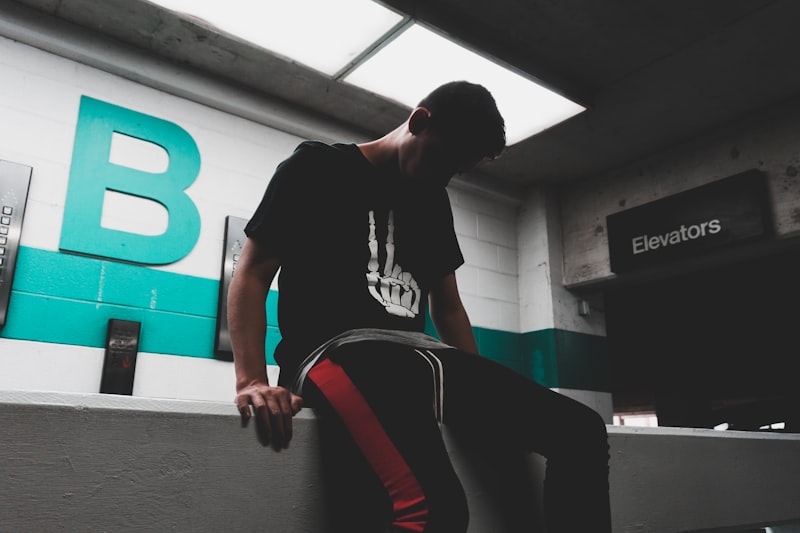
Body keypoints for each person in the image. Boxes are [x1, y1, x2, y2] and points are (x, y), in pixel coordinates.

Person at [228, 80, 612, 532]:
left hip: (426, 356)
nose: (442, 176)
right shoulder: (316, 166)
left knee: (582, 432)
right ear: (419, 121)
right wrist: (251, 379)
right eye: (441, 159)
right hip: (338, 352)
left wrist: (479, 395)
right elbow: (252, 272)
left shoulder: (433, 199)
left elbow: (448, 308)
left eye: (456, 171)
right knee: (436, 511)